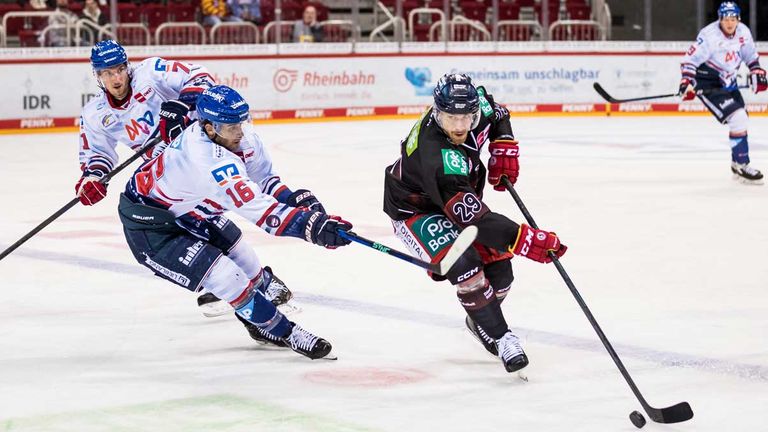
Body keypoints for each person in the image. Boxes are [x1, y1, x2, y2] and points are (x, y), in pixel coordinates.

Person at [117, 85, 352, 359]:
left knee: (246, 260)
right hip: (149, 224)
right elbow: (263, 213)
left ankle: (257, 307)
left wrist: (293, 198)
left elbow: (264, 181)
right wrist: (310, 226)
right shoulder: (207, 160)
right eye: (231, 127)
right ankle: (285, 331)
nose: (240, 132)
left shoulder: (238, 136)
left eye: (241, 122)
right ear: (208, 128)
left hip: (189, 209)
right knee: (229, 278)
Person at [383, 73, 567, 374]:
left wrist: (503, 143)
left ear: (474, 112)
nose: (458, 126)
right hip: (415, 210)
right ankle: (502, 336)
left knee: (502, 272)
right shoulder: (436, 153)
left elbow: (499, 112)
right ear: (437, 112)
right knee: (465, 266)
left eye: (465, 118)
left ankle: (478, 320)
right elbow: (471, 217)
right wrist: (525, 239)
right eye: (448, 118)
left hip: (456, 198)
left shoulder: (477, 108)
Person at [77, 40, 245, 317]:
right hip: (165, 173)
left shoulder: (152, 72)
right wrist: (94, 177)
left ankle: (249, 283)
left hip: (199, 154)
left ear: (127, 66)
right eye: (108, 73)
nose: (116, 78)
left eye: (119, 69)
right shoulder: (95, 114)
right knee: (186, 221)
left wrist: (181, 103)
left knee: (211, 215)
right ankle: (224, 284)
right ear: (97, 76)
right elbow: (97, 154)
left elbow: (200, 76)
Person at [680, 1, 767, 185]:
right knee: (738, 117)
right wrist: (686, 82)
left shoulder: (743, 32)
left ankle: (737, 163)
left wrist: (757, 72)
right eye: (726, 18)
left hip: (729, 81)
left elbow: (751, 56)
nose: (729, 22)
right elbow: (690, 60)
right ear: (720, 19)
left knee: (741, 119)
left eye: (733, 18)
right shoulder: (709, 35)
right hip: (707, 81)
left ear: (738, 19)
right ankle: (742, 165)